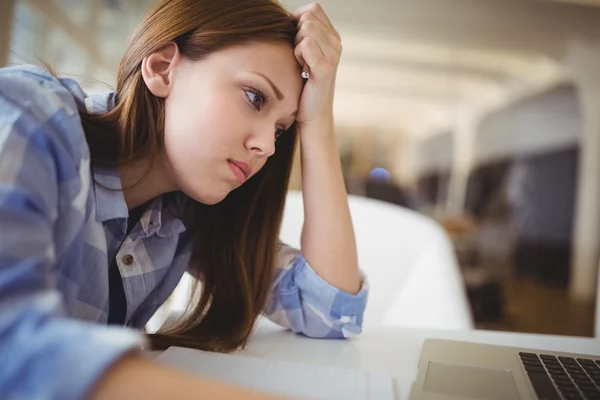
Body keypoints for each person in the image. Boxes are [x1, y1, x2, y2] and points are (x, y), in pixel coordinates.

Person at [0, 0, 368, 399]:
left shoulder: (181, 214)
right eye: (254, 97)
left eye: (280, 130)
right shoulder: (25, 118)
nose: (266, 147)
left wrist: (317, 122)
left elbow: (328, 308)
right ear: (162, 69)